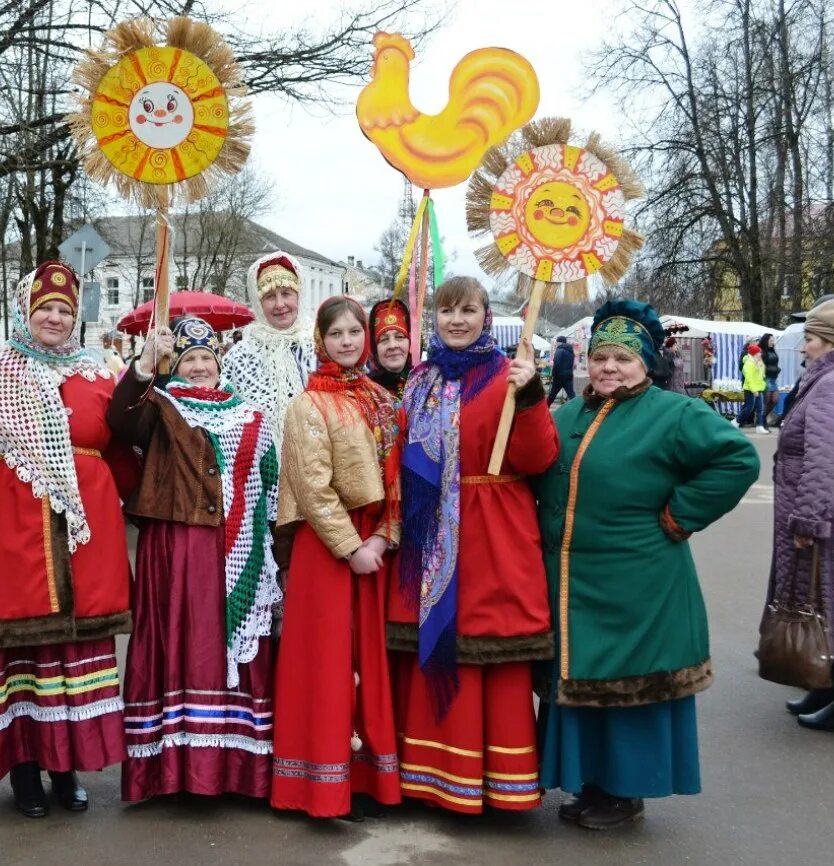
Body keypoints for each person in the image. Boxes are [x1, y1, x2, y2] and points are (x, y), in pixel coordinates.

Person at [535, 300, 759, 829]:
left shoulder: (673, 413)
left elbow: (737, 460)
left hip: (639, 582)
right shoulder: (570, 413)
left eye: (623, 358)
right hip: (574, 584)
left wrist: (681, 514)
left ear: (646, 364)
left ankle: (625, 792)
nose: (609, 367)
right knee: (581, 683)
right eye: (600, 356)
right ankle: (593, 782)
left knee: (630, 686)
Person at [0, 260, 139, 818]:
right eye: (45, 308)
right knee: (18, 656)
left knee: (71, 655)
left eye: (65, 310)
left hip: (83, 542)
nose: (55, 317)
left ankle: (64, 769)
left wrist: (155, 502)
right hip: (10, 539)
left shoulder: (99, 375)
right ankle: (24, 774)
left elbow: (121, 455)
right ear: (27, 311)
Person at [391, 276, 558, 815]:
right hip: (430, 534)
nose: (456, 320)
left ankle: (500, 782)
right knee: (438, 652)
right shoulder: (419, 382)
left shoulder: (511, 378)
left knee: (491, 651)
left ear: (487, 315)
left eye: (468, 310)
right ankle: (433, 777)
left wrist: (531, 396)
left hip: (495, 533)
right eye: (446, 310)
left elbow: (537, 459)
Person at [108, 317, 281, 802]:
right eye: (189, 359)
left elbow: (266, 481)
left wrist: (268, 547)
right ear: (176, 366)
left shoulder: (250, 413)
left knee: (230, 651)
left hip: (239, 546)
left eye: (207, 358)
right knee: (182, 643)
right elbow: (120, 421)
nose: (201, 366)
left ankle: (235, 770)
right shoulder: (160, 407)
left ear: (219, 361)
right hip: (178, 545)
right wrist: (145, 366)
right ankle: (176, 770)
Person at [271, 296, 402, 821]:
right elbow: (311, 486)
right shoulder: (309, 405)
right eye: (336, 334)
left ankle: (367, 778)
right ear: (320, 341)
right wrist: (350, 547)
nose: (347, 342)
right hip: (327, 549)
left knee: (367, 658)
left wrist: (383, 538)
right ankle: (320, 784)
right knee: (325, 660)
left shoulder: (380, 400)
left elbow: (397, 479)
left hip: (372, 542)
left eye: (354, 332)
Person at [767, 298, 834, 733]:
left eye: (808, 338)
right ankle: (828, 684)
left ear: (830, 341)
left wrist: (809, 520)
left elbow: (827, 460)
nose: (803, 347)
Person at [223, 252, 316, 450]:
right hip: (260, 467)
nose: (280, 304)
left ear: (299, 295)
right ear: (258, 303)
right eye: (270, 297)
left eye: (286, 293)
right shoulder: (240, 358)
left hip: (317, 463)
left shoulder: (320, 347)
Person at [367, 298, 412, 400]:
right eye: (384, 339)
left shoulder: (425, 385)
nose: (392, 345)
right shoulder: (366, 391)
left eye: (400, 337)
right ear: (374, 348)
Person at [732, 343, 770, 433]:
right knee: (749, 407)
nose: (760, 354)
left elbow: (762, 375)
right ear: (754, 353)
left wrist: (760, 365)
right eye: (758, 353)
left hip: (759, 388)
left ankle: (759, 426)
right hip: (750, 389)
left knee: (760, 408)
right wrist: (753, 390)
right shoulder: (748, 363)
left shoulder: (757, 362)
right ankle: (736, 421)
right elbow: (748, 378)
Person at [759, 333, 781, 422]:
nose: (773, 342)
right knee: (767, 400)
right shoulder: (762, 352)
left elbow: (775, 363)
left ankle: (763, 417)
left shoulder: (773, 351)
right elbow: (760, 365)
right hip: (766, 378)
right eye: (771, 340)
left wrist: (777, 369)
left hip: (773, 378)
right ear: (766, 341)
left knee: (775, 400)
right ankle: (761, 420)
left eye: (773, 340)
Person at [548, 336, 575, 405]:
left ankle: (544, 409)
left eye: (557, 342)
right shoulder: (570, 350)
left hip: (559, 376)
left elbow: (556, 362)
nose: (556, 343)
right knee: (571, 395)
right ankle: (577, 409)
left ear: (559, 342)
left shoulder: (560, 350)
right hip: (568, 375)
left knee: (552, 394)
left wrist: (553, 374)